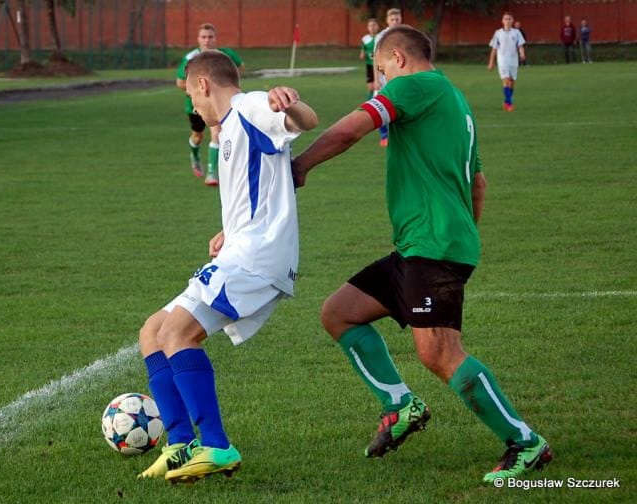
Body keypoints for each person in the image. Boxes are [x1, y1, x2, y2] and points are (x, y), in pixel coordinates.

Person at [292, 24, 551, 485]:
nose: (380, 81)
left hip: (433, 245)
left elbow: (351, 130)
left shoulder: (415, 86)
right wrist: (462, 236)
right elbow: (479, 182)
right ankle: (401, 404)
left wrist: (300, 166)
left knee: (438, 352)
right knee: (339, 313)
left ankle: (525, 442)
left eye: (381, 70)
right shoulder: (455, 101)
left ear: (398, 60)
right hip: (425, 243)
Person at [138, 50, 318, 484]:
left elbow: (305, 121)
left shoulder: (250, 106)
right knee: (152, 332)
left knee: (179, 333)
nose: (193, 108)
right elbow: (253, 192)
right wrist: (228, 231)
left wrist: (288, 102)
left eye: (191, 96)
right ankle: (180, 444)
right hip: (240, 248)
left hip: (259, 256)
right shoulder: (228, 128)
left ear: (203, 85)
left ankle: (217, 446)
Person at [176, 23, 245, 186]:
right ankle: (195, 153)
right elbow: (179, 82)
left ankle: (212, 173)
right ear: (198, 39)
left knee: (217, 132)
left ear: (216, 38)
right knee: (198, 136)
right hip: (197, 105)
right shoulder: (190, 58)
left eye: (210, 37)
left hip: (219, 102)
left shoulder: (225, 55)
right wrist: (198, 89)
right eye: (203, 37)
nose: (207, 40)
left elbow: (240, 68)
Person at [371, 8, 403, 147]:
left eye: (397, 19)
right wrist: (376, 79)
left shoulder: (405, 35)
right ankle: (384, 135)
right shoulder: (381, 37)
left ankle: (400, 135)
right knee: (378, 106)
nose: (395, 22)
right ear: (387, 21)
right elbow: (376, 59)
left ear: (400, 19)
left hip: (401, 77)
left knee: (400, 106)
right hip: (384, 78)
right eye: (392, 19)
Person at [488, 12, 526, 112]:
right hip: (502, 60)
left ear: (512, 21)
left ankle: (506, 101)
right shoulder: (498, 33)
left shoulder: (516, 32)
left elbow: (520, 45)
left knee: (512, 82)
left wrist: (522, 53)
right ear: (502, 21)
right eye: (506, 19)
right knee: (506, 80)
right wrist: (491, 62)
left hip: (513, 60)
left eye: (509, 19)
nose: (508, 21)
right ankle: (509, 104)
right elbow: (494, 49)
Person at [360, 18, 387, 146]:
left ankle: (369, 106)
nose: (372, 27)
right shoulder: (365, 39)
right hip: (370, 67)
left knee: (373, 89)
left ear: (377, 26)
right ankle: (370, 106)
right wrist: (363, 53)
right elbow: (363, 51)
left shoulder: (382, 38)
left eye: (374, 25)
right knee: (371, 88)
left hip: (379, 67)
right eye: (370, 25)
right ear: (367, 27)